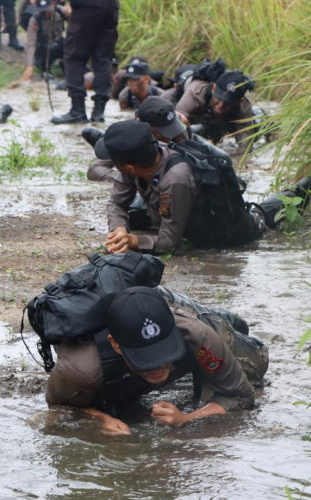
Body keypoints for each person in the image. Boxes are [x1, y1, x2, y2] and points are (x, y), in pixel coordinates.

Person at [46, 286, 267, 435]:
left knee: (257, 360)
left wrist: (187, 418)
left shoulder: (195, 335)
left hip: (172, 308)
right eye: (146, 358)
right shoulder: (81, 372)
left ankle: (216, 316)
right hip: (99, 341)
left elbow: (242, 395)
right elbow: (58, 406)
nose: (159, 366)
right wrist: (99, 419)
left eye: (165, 352)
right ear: (115, 345)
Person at [98, 120, 264, 254]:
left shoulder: (175, 179)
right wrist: (119, 229)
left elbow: (169, 243)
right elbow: (117, 203)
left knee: (263, 215)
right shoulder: (142, 156)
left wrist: (134, 241)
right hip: (179, 216)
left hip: (230, 231)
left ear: (129, 167)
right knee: (134, 215)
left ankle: (280, 201)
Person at [85, 96, 189, 182]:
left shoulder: (181, 126)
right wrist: (130, 177)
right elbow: (95, 170)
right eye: (162, 132)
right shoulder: (130, 136)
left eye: (171, 129)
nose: (168, 137)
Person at [51, 0, 119, 124]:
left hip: (86, 6)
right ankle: (98, 113)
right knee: (103, 58)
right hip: (111, 5)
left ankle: (78, 111)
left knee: (74, 56)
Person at [176, 69, 255, 147]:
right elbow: (176, 126)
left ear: (239, 101)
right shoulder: (195, 93)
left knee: (256, 126)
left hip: (219, 124)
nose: (220, 106)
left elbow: (245, 145)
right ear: (213, 89)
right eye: (218, 99)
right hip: (193, 117)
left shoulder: (244, 108)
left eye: (228, 103)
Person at [21, 0, 70, 82]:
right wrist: (29, 67)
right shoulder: (34, 20)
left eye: (47, 10)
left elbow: (68, 11)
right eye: (42, 10)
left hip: (59, 41)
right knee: (51, 47)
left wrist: (70, 12)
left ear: (53, 6)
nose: (45, 13)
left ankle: (67, 68)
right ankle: (45, 69)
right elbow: (31, 45)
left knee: (69, 45)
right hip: (44, 47)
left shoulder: (59, 12)